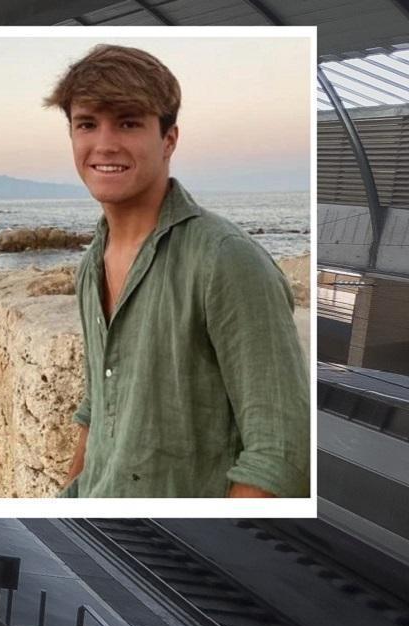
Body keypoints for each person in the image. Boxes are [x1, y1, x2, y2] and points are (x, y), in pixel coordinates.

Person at [43, 45, 309, 498]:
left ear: (169, 140)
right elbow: (101, 405)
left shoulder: (224, 260)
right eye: (87, 124)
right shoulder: (91, 263)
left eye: (128, 122)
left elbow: (280, 451)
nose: (104, 144)